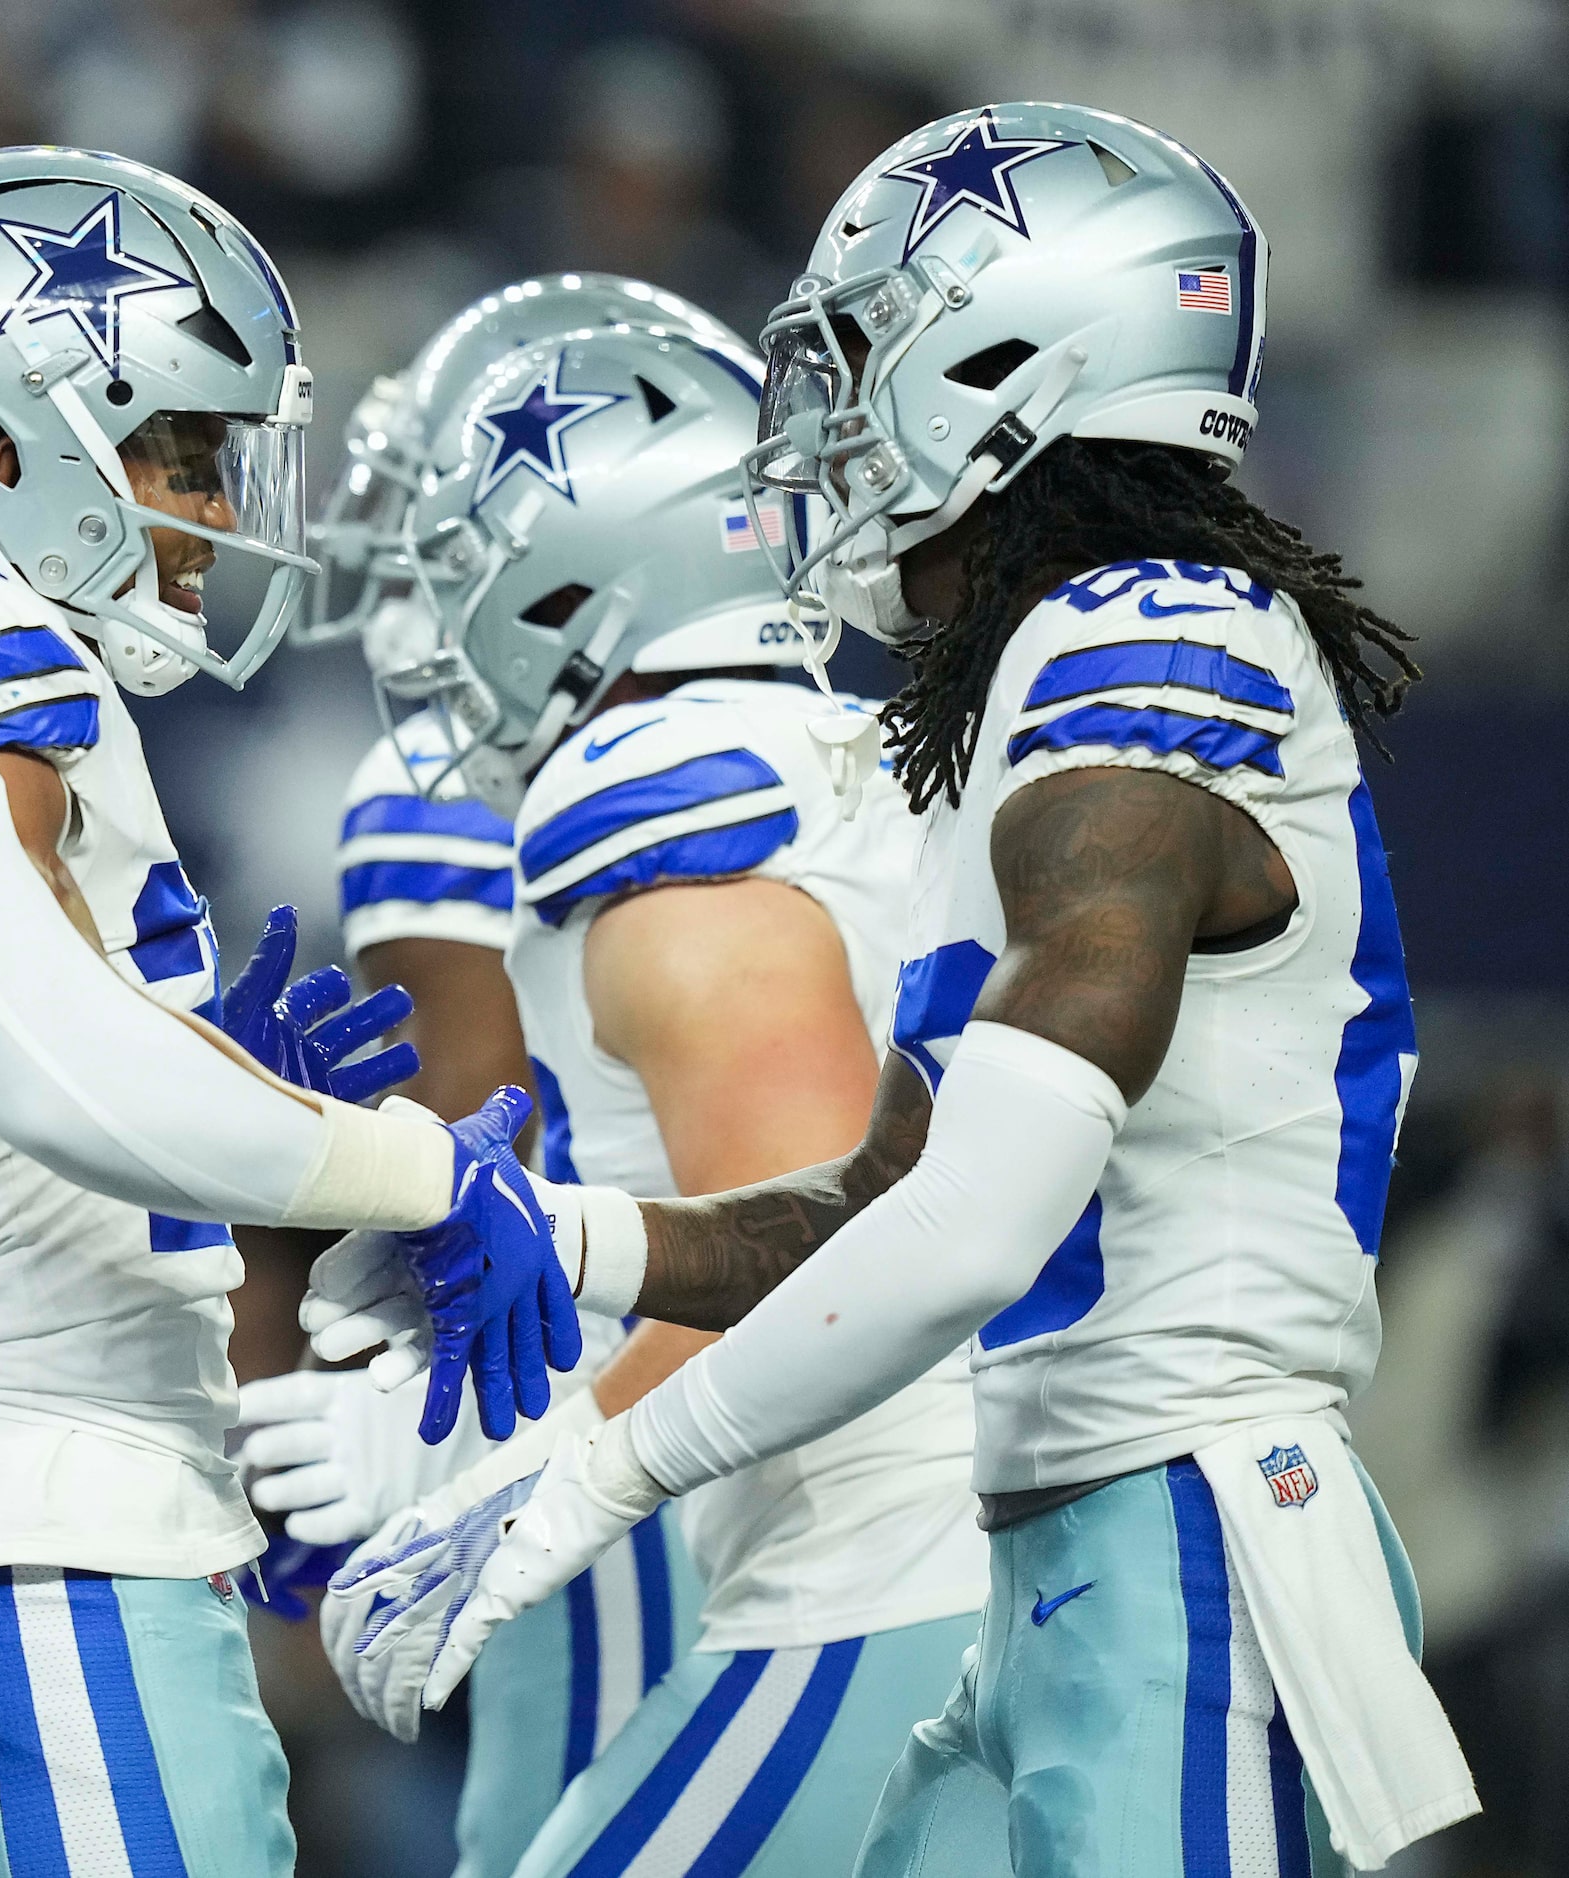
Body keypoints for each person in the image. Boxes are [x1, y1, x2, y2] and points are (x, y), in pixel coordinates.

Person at [323, 103, 1480, 1876]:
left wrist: (588, 1477)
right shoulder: (1038, 675)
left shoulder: (1147, 650)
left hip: (1186, 1546)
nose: (816, 428)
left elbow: (970, 1229)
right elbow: (871, 1192)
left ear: (1008, 364)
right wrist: (574, 1244)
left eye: (859, 362)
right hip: (1049, 1553)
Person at [0, 146, 563, 1878]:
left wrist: (210, 1081)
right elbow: (44, 1059)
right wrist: (416, 1168)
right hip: (18, 1514)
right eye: (175, 446)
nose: (212, 509)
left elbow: (5, 1054)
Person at [308, 316, 991, 1875]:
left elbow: (807, 1251)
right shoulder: (833, 760)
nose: (430, 629)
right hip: (952, 1551)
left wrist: (535, 1478)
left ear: (579, 577)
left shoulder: (677, 847)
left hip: (879, 1567)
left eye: (463, 568)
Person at [243, 275, 738, 1878]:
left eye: (449, 531)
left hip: (604, 1404)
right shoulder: (824, 760)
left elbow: (478, 1160)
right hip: (787, 1385)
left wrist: (430, 1423)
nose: (406, 593)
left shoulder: (450, 779)